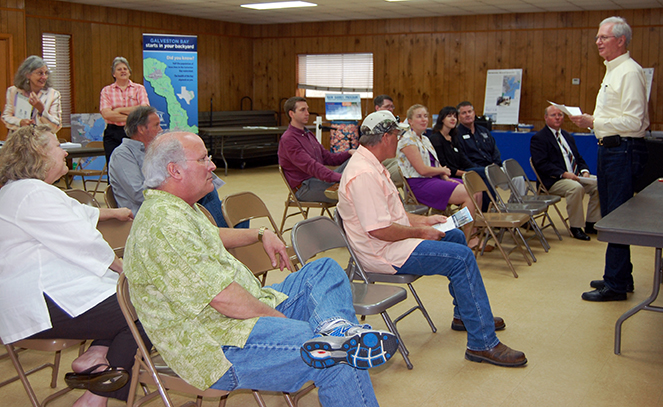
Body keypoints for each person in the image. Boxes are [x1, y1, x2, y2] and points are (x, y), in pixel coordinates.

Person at [123, 131, 397, 407]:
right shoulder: (164, 225)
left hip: (247, 312)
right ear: (175, 170)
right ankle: (334, 339)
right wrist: (283, 322)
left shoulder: (177, 208)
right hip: (220, 343)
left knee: (323, 269)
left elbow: (209, 235)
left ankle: (335, 329)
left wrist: (260, 233)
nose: (212, 165)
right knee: (338, 357)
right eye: (203, 158)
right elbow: (225, 300)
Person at [337, 110, 527, 368]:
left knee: (456, 236)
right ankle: (482, 343)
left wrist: (425, 221)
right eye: (396, 134)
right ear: (385, 137)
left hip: (392, 242)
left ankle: (465, 314)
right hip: (383, 253)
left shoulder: (373, 165)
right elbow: (379, 230)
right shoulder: (364, 174)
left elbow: (394, 216)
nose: (399, 140)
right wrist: (421, 232)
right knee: (461, 259)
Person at [0, 125, 149, 407]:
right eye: (57, 146)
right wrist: (121, 267)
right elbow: (81, 239)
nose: (63, 152)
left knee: (136, 299)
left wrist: (113, 212)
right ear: (40, 155)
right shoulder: (32, 194)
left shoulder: (24, 192)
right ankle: (94, 397)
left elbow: (75, 213)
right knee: (150, 304)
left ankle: (96, 356)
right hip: (38, 303)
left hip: (42, 296)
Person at [570, 17, 649, 301]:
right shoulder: (613, 70)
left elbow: (633, 120)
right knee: (612, 215)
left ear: (621, 40)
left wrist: (593, 120)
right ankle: (619, 276)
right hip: (611, 149)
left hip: (622, 150)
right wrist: (594, 123)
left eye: (603, 37)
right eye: (597, 37)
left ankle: (615, 285)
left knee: (616, 217)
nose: (598, 42)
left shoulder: (628, 71)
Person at [108, 106, 243, 228]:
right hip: (148, 214)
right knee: (213, 198)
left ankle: (226, 236)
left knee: (236, 211)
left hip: (172, 204)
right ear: (141, 129)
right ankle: (224, 238)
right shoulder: (123, 154)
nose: (160, 130)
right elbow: (138, 194)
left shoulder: (156, 150)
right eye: (156, 125)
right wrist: (182, 192)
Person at [397, 104, 478, 238]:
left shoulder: (426, 139)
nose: (423, 119)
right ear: (410, 121)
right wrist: (442, 170)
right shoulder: (407, 140)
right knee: (467, 193)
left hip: (434, 179)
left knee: (474, 189)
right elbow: (422, 170)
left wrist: (446, 178)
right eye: (419, 117)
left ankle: (466, 231)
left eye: (425, 116)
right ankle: (467, 237)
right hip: (419, 184)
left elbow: (436, 163)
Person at [531, 105, 601, 241]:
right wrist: (563, 174)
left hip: (576, 175)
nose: (557, 117)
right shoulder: (539, 138)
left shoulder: (567, 136)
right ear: (546, 118)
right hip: (554, 180)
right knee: (576, 188)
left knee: (599, 184)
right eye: (553, 115)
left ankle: (591, 223)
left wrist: (584, 171)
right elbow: (542, 164)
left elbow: (578, 158)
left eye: (560, 115)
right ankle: (576, 227)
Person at [278, 96, 353, 203]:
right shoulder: (289, 139)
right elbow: (311, 166)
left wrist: (350, 153)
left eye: (307, 109)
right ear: (291, 114)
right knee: (351, 192)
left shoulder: (307, 134)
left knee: (355, 159)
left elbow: (328, 158)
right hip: (304, 187)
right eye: (302, 110)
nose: (307, 113)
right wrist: (340, 177)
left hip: (317, 180)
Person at [100, 57, 150, 164]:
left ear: (129, 72)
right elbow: (107, 114)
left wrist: (118, 110)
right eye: (119, 69)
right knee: (114, 166)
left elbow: (144, 109)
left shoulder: (139, 89)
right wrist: (132, 117)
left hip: (134, 131)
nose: (123, 71)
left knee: (136, 165)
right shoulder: (107, 91)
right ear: (114, 74)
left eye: (125, 69)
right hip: (113, 132)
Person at [2, 56, 61, 133]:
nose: (44, 77)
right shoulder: (13, 91)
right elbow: (6, 117)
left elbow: (56, 126)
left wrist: (41, 110)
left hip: (43, 141)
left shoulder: (53, 94)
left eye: (46, 73)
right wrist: (20, 122)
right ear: (27, 74)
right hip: (19, 140)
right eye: (40, 73)